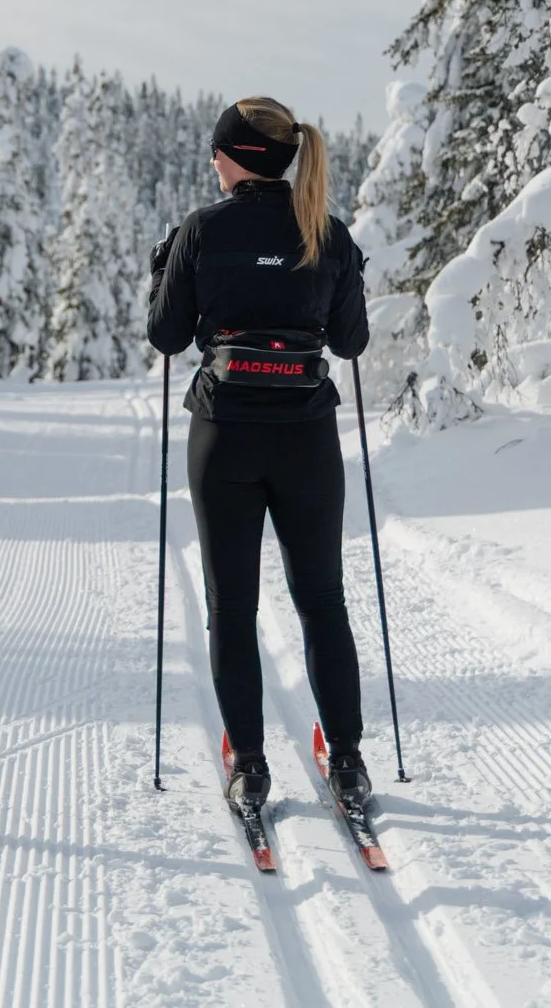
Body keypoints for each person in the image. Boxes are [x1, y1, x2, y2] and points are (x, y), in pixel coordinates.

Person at [146, 96, 372, 813]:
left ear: (238, 156)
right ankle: (348, 760)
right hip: (307, 437)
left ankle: (248, 764)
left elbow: (166, 336)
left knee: (233, 605)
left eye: (217, 150)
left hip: (225, 436)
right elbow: (352, 342)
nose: (211, 161)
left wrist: (164, 270)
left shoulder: (203, 230)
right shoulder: (324, 232)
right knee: (322, 600)